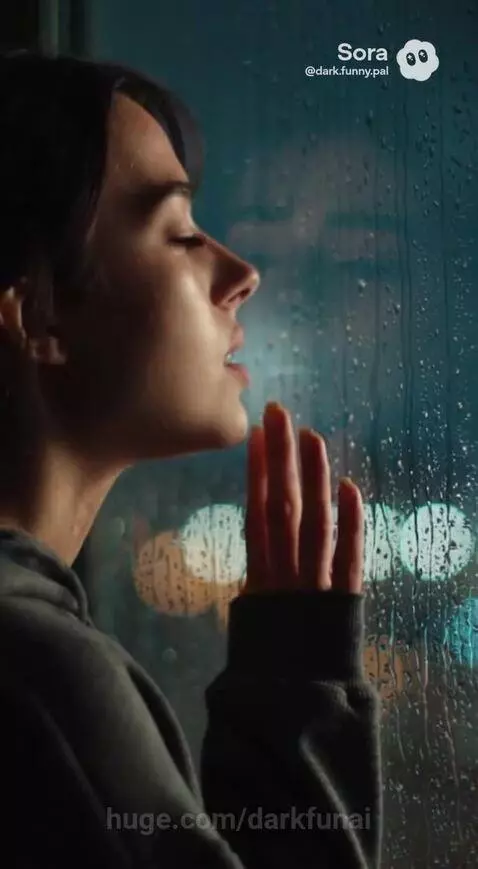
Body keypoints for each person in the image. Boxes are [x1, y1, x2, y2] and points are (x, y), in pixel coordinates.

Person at [0, 51, 382, 868]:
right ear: (36, 316)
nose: (242, 274)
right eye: (179, 233)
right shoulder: (39, 668)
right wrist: (300, 694)